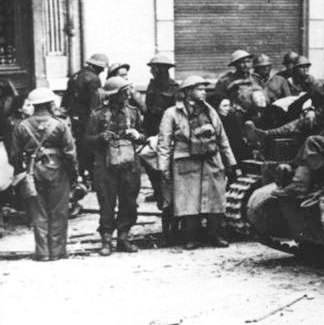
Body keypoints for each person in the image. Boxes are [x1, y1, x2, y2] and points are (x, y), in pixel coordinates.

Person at [157, 76, 237, 249]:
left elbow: (222, 137)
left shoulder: (210, 111)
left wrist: (230, 162)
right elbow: (164, 142)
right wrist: (163, 168)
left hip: (211, 159)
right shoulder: (172, 113)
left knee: (215, 199)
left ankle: (214, 235)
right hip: (186, 161)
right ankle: (189, 237)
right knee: (188, 201)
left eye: (204, 89)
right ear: (187, 92)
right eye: (199, 88)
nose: (203, 92)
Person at [11, 88, 77, 261]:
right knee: (59, 212)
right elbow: (70, 153)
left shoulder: (22, 126)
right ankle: (57, 252)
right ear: (50, 104)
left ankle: (42, 253)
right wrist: (74, 175)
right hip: (58, 171)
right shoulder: (60, 124)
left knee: (38, 213)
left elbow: (15, 156)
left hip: (33, 173)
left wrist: (22, 174)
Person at [84, 77, 147, 256]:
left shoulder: (133, 112)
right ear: (115, 95)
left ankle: (124, 237)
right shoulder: (97, 114)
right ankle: (106, 240)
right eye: (124, 92)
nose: (128, 95)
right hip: (105, 165)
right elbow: (86, 140)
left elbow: (144, 136)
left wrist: (137, 135)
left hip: (129, 164)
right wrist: (100, 137)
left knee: (129, 201)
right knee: (106, 203)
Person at [61, 53, 108, 188]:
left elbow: (66, 97)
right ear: (97, 67)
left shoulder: (75, 76)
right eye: (102, 68)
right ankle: (92, 178)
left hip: (75, 118)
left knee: (80, 146)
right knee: (92, 146)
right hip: (88, 118)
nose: (103, 71)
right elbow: (96, 102)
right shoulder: (93, 79)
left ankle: (81, 175)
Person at [143, 55, 180, 210]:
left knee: (165, 162)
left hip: (166, 129)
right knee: (149, 160)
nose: (151, 70)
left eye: (153, 68)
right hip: (151, 128)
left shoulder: (174, 88)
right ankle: (157, 190)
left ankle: (166, 193)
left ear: (160, 69)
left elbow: (176, 112)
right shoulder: (152, 85)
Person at [215, 97, 250, 164]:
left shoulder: (233, 119)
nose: (228, 108)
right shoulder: (216, 121)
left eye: (229, 105)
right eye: (224, 106)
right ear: (217, 107)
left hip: (236, 153)